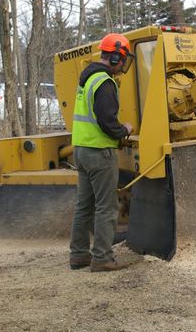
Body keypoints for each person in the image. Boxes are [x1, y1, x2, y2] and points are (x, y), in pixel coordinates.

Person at [69, 33, 134, 272]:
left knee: (83, 206)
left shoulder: (87, 79)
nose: (124, 65)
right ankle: (102, 258)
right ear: (116, 56)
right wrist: (124, 130)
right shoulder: (105, 83)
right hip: (99, 152)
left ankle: (78, 256)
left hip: (82, 150)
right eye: (123, 59)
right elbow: (107, 122)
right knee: (107, 207)